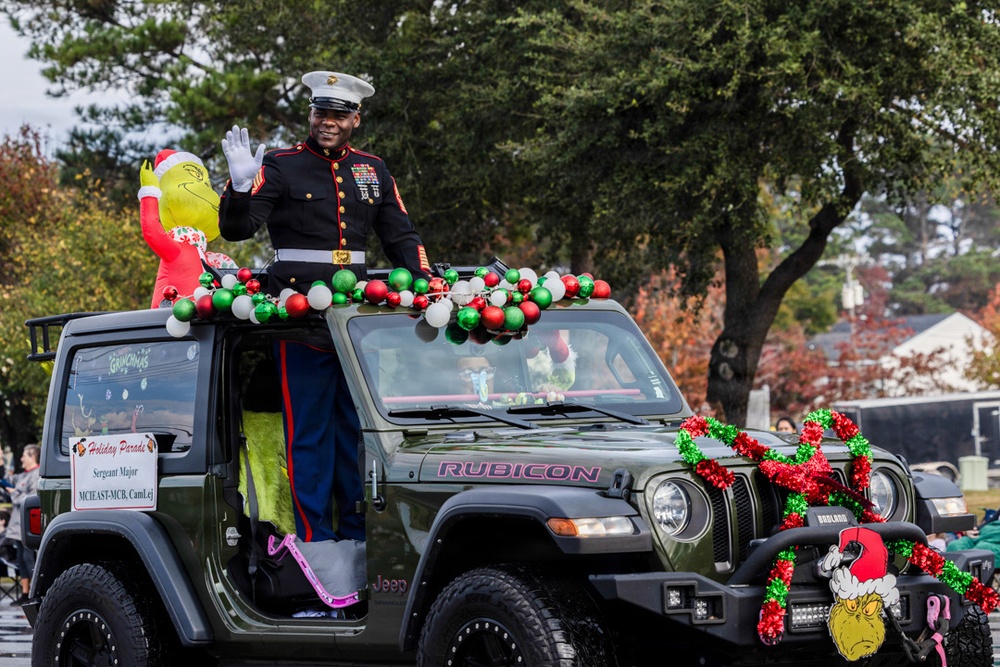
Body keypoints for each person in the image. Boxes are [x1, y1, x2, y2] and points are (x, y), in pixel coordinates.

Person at [219, 71, 431, 545]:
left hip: (355, 323)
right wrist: (239, 188)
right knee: (309, 436)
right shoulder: (282, 164)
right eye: (320, 113)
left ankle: (357, 539)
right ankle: (316, 543)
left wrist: (426, 282)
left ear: (356, 119)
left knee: (357, 433)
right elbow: (238, 230)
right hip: (300, 320)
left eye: (338, 115)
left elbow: (402, 236)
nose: (327, 122)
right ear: (311, 115)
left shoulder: (373, 169)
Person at [1, 445, 40, 604]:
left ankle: (36, 593)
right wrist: (1, 462)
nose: (21, 458)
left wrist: (14, 493)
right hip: (17, 526)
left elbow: (30, 499)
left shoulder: (36, 475)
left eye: (24, 455)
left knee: (29, 558)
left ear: (32, 457)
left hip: (28, 525)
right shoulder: (22, 476)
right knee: (21, 559)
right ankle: (25, 593)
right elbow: (6, 480)